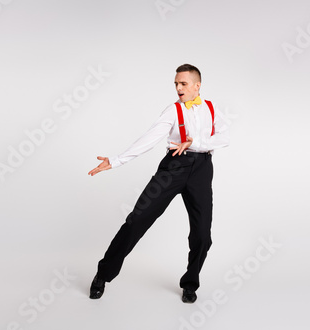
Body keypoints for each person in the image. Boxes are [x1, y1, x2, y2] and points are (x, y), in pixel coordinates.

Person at [87, 64, 229, 303]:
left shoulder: (211, 109)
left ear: (197, 85)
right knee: (137, 220)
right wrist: (117, 160)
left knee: (202, 234)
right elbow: (150, 138)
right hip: (173, 168)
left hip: (202, 170)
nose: (178, 88)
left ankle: (190, 284)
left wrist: (196, 143)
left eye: (183, 83)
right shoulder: (172, 110)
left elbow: (224, 136)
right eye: (176, 83)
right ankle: (103, 274)